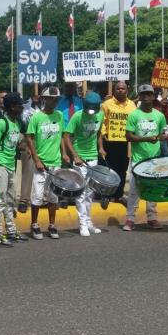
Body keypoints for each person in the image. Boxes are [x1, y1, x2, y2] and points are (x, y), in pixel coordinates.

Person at [123, 85, 168, 231]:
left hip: (154, 159)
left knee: (153, 189)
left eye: (148, 94)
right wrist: (146, 139)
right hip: (138, 159)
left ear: (153, 97)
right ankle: (130, 219)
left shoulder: (159, 116)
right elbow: (128, 136)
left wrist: (163, 137)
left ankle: (152, 218)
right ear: (139, 97)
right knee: (134, 190)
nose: (145, 97)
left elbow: (163, 133)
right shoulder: (134, 115)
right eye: (142, 95)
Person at [62, 91, 105, 237]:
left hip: (93, 158)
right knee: (80, 193)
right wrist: (75, 156)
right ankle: (82, 225)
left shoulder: (100, 115)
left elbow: (98, 133)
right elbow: (66, 136)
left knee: (90, 193)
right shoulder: (77, 116)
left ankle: (89, 221)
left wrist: (101, 147)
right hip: (80, 159)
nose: (91, 113)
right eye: (88, 109)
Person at [25, 86, 63, 239]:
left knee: (54, 196)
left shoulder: (59, 115)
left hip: (56, 162)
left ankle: (52, 225)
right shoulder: (36, 117)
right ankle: (34, 224)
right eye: (51, 99)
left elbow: (61, 136)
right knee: (38, 196)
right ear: (44, 99)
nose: (54, 101)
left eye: (57, 99)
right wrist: (37, 160)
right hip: (41, 163)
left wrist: (64, 155)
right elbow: (29, 138)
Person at [0, 92, 25, 246]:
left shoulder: (17, 123)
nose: (22, 108)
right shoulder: (1, 123)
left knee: (10, 200)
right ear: (12, 107)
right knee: (0, 201)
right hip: (1, 166)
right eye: (19, 105)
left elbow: (17, 143)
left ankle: (11, 230)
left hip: (11, 166)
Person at [101, 81, 136, 202]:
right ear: (114, 90)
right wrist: (103, 133)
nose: (120, 90)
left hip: (126, 143)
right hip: (110, 141)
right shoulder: (106, 104)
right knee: (109, 169)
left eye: (123, 89)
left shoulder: (132, 105)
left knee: (122, 169)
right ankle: (107, 194)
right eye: (118, 88)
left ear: (127, 90)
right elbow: (102, 120)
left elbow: (134, 121)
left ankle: (118, 194)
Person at [152, 89, 168, 157]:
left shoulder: (165, 98)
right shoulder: (149, 101)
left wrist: (167, 105)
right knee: (164, 154)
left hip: (167, 130)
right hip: (157, 131)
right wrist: (161, 104)